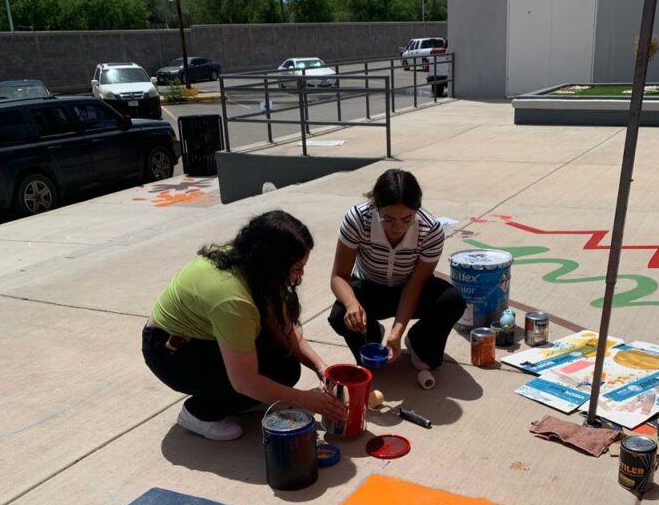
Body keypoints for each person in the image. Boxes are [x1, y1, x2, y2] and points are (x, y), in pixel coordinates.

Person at [142, 210, 347, 441]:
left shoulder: (253, 264)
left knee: (285, 367)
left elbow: (283, 329)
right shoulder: (233, 300)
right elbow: (245, 381)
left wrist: (322, 369)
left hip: (202, 340)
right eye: (296, 268)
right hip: (172, 353)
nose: (301, 275)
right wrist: (304, 399)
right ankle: (198, 413)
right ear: (274, 264)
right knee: (251, 383)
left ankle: (242, 401)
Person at [328, 169, 465, 372]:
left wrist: (398, 332)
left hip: (408, 289)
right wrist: (351, 304)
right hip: (369, 288)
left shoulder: (431, 230)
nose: (397, 227)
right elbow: (339, 275)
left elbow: (415, 286)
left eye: (407, 219)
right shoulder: (357, 218)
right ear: (376, 206)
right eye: (388, 219)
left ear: (417, 210)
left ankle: (418, 341)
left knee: (452, 300)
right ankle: (372, 333)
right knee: (340, 315)